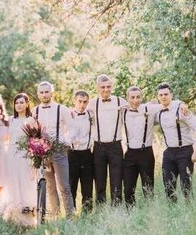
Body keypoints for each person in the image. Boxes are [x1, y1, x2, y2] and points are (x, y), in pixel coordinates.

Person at [122, 86, 188, 206]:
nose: (135, 100)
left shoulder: (149, 108)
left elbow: (167, 103)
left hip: (146, 153)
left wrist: (181, 103)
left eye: (138, 97)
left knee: (148, 187)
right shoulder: (123, 111)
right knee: (127, 188)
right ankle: (129, 214)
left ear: (142, 97)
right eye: (132, 97)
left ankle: (150, 212)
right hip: (130, 153)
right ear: (127, 98)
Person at [31, 81, 76, 218]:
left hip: (59, 150)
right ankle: (56, 216)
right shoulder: (35, 111)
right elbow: (34, 132)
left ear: (52, 93)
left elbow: (73, 127)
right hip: (43, 153)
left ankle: (69, 216)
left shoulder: (61, 109)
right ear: (38, 95)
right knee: (50, 186)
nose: (44, 95)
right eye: (42, 92)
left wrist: (67, 142)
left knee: (64, 185)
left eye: (47, 92)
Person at [156, 82, 196, 201]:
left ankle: (189, 212)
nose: (163, 97)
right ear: (158, 97)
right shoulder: (158, 112)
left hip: (185, 151)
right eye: (160, 95)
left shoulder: (181, 109)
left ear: (171, 95)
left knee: (186, 186)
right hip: (168, 153)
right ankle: (172, 213)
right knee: (168, 187)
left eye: (166, 94)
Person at [87, 74, 128, 206]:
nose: (106, 89)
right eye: (103, 87)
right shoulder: (92, 103)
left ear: (112, 86)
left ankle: (117, 208)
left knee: (117, 179)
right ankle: (101, 208)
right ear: (98, 87)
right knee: (99, 180)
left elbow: (136, 107)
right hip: (98, 147)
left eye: (108, 86)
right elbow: (79, 114)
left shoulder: (120, 101)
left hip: (115, 146)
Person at [3, 93, 37, 221]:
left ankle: (27, 209)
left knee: (25, 179)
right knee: (13, 179)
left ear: (27, 104)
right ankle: (14, 208)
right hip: (11, 151)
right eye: (16, 103)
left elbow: (34, 139)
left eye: (21, 102)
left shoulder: (31, 120)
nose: (19, 105)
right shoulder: (11, 120)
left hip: (25, 152)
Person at [69, 90, 93, 212]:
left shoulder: (91, 115)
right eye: (79, 101)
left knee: (87, 185)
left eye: (85, 102)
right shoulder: (67, 115)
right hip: (72, 154)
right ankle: (71, 212)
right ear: (74, 101)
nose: (82, 105)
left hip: (87, 153)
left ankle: (87, 212)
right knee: (71, 185)